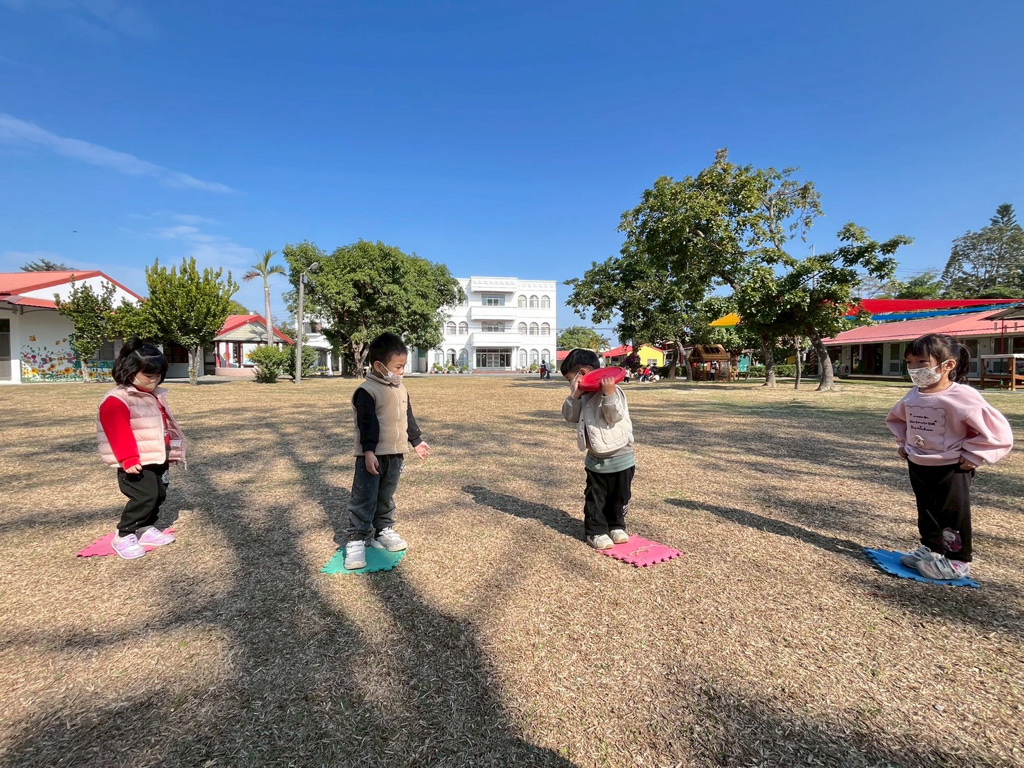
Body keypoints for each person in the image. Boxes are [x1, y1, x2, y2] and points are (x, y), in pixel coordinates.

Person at [886, 334, 1013, 580]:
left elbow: (995, 431)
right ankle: (932, 548)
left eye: (922, 362)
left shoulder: (963, 396)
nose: (914, 369)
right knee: (926, 509)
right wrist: (904, 444)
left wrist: (975, 454)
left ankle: (957, 560)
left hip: (952, 466)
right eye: (910, 362)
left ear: (948, 365)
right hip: (919, 462)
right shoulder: (913, 395)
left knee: (953, 514)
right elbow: (899, 420)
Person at [344, 332, 431, 569]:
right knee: (364, 497)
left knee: (386, 495)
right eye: (398, 367)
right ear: (379, 366)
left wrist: (416, 441)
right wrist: (368, 452)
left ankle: (382, 531)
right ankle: (356, 540)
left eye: (404, 366)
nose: (401, 372)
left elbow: (407, 416)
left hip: (396, 454)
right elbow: (367, 424)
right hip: (371, 456)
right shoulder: (367, 391)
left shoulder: (401, 389)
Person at [97, 340, 185, 560]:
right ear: (129, 371)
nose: (154, 380)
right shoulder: (117, 399)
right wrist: (128, 458)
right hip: (136, 461)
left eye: (158, 375)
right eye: (148, 375)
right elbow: (118, 431)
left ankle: (144, 528)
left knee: (159, 494)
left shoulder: (153, 395)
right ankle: (124, 534)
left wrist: (170, 450)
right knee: (145, 496)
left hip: (157, 456)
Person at [560, 349, 636, 550]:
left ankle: (616, 526)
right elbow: (569, 416)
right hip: (596, 460)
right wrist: (575, 395)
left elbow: (614, 417)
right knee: (596, 498)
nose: (570, 384)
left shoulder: (615, 392)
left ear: (582, 373)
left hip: (622, 457)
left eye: (569, 380)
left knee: (620, 496)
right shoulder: (582, 396)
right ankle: (595, 531)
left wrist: (608, 395)